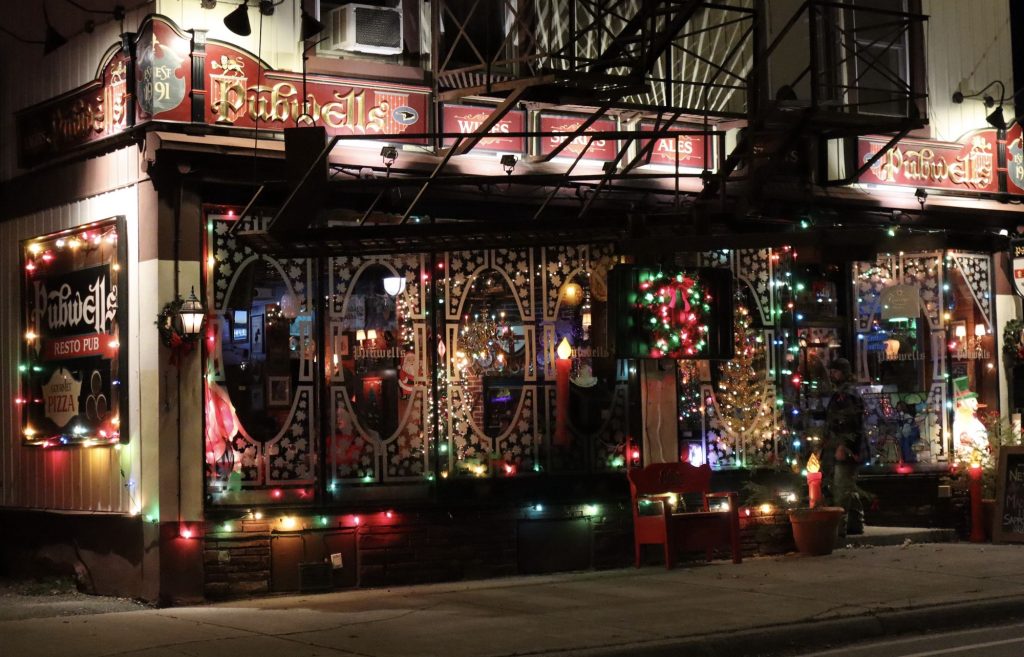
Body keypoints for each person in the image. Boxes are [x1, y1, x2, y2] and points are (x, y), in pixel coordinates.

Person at [823, 357, 865, 535]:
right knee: (846, 486)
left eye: (835, 371)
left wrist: (845, 446)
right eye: (831, 371)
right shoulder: (843, 393)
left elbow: (850, 423)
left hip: (845, 448)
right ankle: (855, 523)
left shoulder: (847, 395)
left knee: (841, 488)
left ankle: (839, 530)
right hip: (841, 445)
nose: (832, 374)